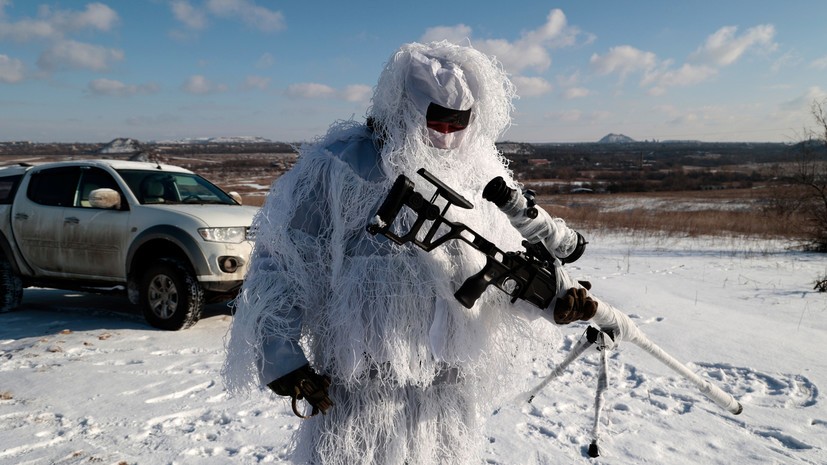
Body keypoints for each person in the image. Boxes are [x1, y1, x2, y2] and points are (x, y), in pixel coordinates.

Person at [222, 41, 596, 465]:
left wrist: (556, 300)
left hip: (449, 393)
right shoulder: (343, 166)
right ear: (406, 106)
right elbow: (287, 259)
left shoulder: (481, 171)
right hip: (362, 390)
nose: (448, 134)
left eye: (460, 121)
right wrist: (282, 356)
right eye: (437, 118)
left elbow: (506, 262)